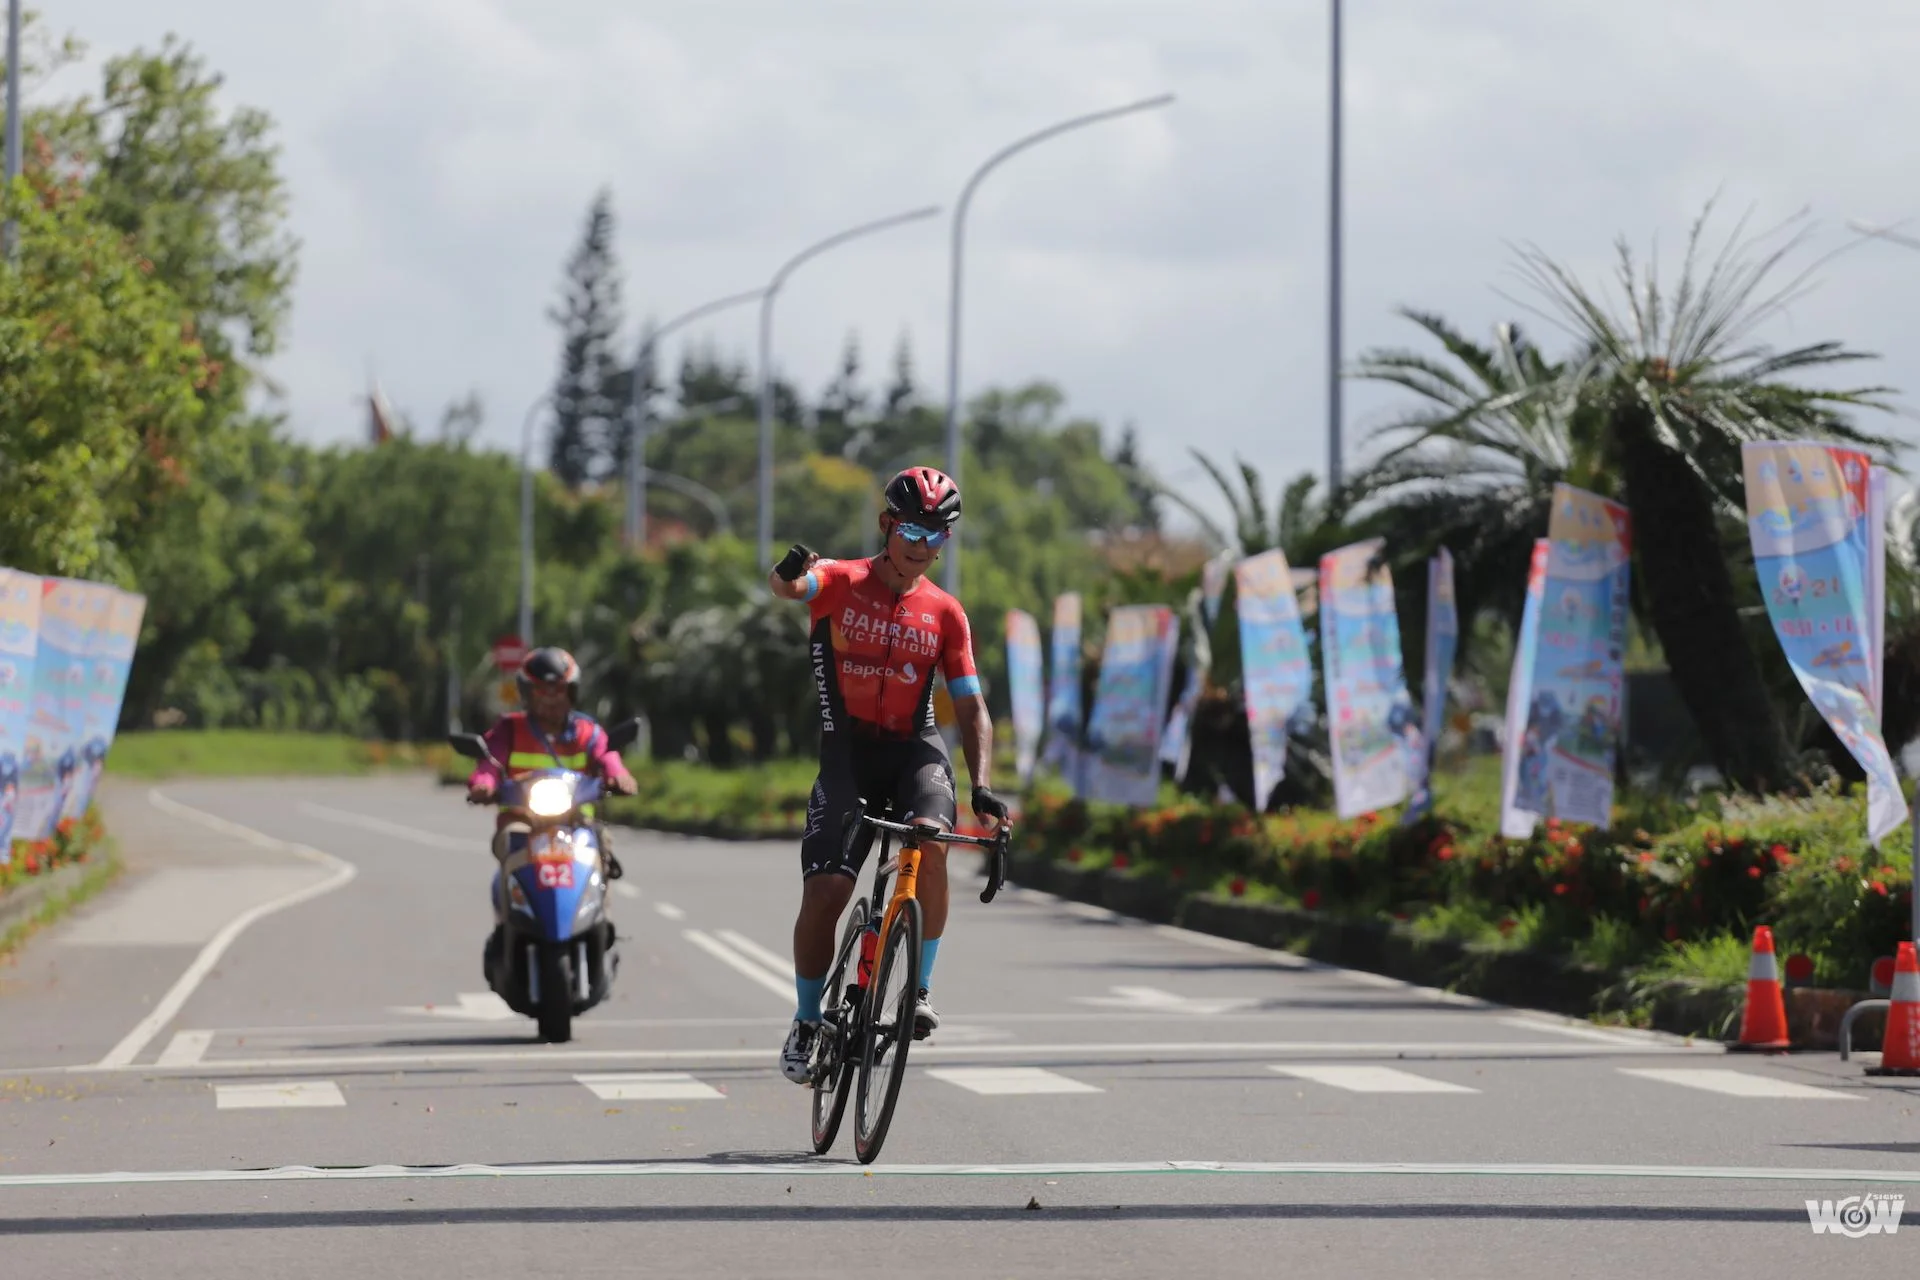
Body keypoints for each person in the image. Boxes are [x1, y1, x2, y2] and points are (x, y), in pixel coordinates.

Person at [766, 465, 1008, 1084]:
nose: (921, 547)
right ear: (886, 525)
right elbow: (791, 587)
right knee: (826, 893)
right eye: (912, 532)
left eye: (936, 535)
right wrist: (790, 568)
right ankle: (806, 1017)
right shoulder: (841, 580)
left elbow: (972, 706)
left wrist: (982, 784)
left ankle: (917, 990)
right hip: (847, 755)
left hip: (913, 752)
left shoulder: (946, 613)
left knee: (932, 844)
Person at [465, 646, 638, 918]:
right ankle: (509, 917)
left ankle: (597, 917)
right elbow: (489, 763)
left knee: (600, 844)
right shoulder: (508, 729)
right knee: (510, 842)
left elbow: (606, 755)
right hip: (521, 819)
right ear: (527, 693)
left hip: (576, 820)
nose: (551, 698)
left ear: (571, 692)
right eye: (541, 691)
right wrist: (483, 784)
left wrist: (619, 776)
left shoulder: (587, 731)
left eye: (558, 690)